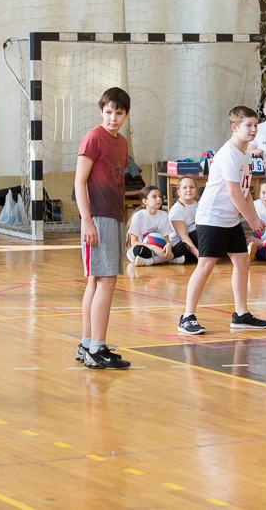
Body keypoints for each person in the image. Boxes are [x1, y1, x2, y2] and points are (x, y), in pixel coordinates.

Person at [178, 105, 266, 335]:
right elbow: (234, 193)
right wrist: (251, 221)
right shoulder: (228, 154)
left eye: (255, 125)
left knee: (242, 261)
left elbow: (246, 192)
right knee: (206, 265)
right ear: (234, 127)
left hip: (229, 219)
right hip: (212, 218)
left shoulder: (245, 155)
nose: (253, 129)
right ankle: (187, 317)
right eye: (248, 125)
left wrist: (255, 218)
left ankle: (241, 314)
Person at [74, 87, 132, 370]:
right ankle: (97, 347)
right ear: (101, 111)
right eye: (108, 112)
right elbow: (79, 181)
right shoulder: (94, 137)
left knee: (96, 281)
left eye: (118, 113)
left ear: (126, 115)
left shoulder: (121, 142)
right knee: (106, 280)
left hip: (115, 215)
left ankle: (88, 343)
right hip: (98, 217)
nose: (113, 118)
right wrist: (87, 220)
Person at [126, 186, 181, 266]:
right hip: (145, 248)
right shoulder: (138, 216)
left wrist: (168, 245)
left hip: (160, 248)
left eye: (160, 196)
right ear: (145, 201)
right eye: (154, 197)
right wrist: (154, 248)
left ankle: (149, 261)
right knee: (138, 250)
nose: (159, 199)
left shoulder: (164, 215)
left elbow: (166, 239)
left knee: (183, 247)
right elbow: (134, 242)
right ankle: (170, 258)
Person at [168, 176, 200, 264]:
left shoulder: (197, 204)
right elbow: (183, 236)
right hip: (182, 242)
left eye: (191, 187)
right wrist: (198, 255)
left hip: (195, 236)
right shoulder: (177, 210)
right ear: (179, 192)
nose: (188, 190)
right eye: (185, 187)